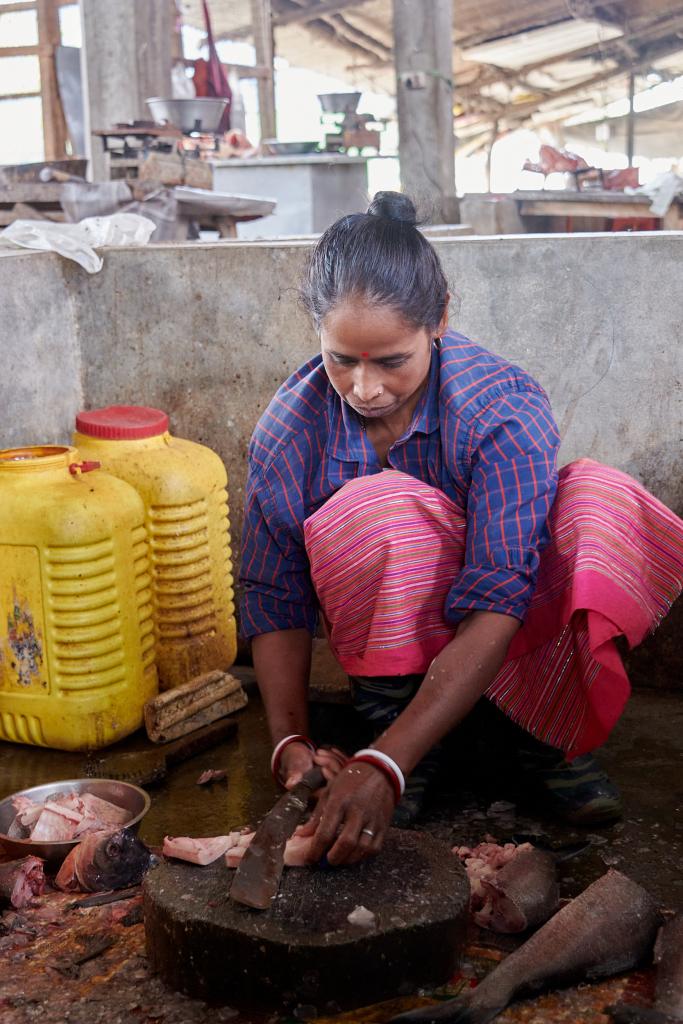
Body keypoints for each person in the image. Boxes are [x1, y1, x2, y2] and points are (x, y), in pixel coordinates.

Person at [240, 191, 683, 867]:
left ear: (439, 319)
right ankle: (396, 736)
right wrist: (288, 742)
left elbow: (500, 596)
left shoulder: (499, 405)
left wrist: (380, 767)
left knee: (594, 501)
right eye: (340, 359)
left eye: (390, 360)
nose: (362, 388)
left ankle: (542, 742)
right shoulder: (290, 428)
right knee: (377, 513)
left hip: (500, 628)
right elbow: (272, 594)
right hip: (394, 642)